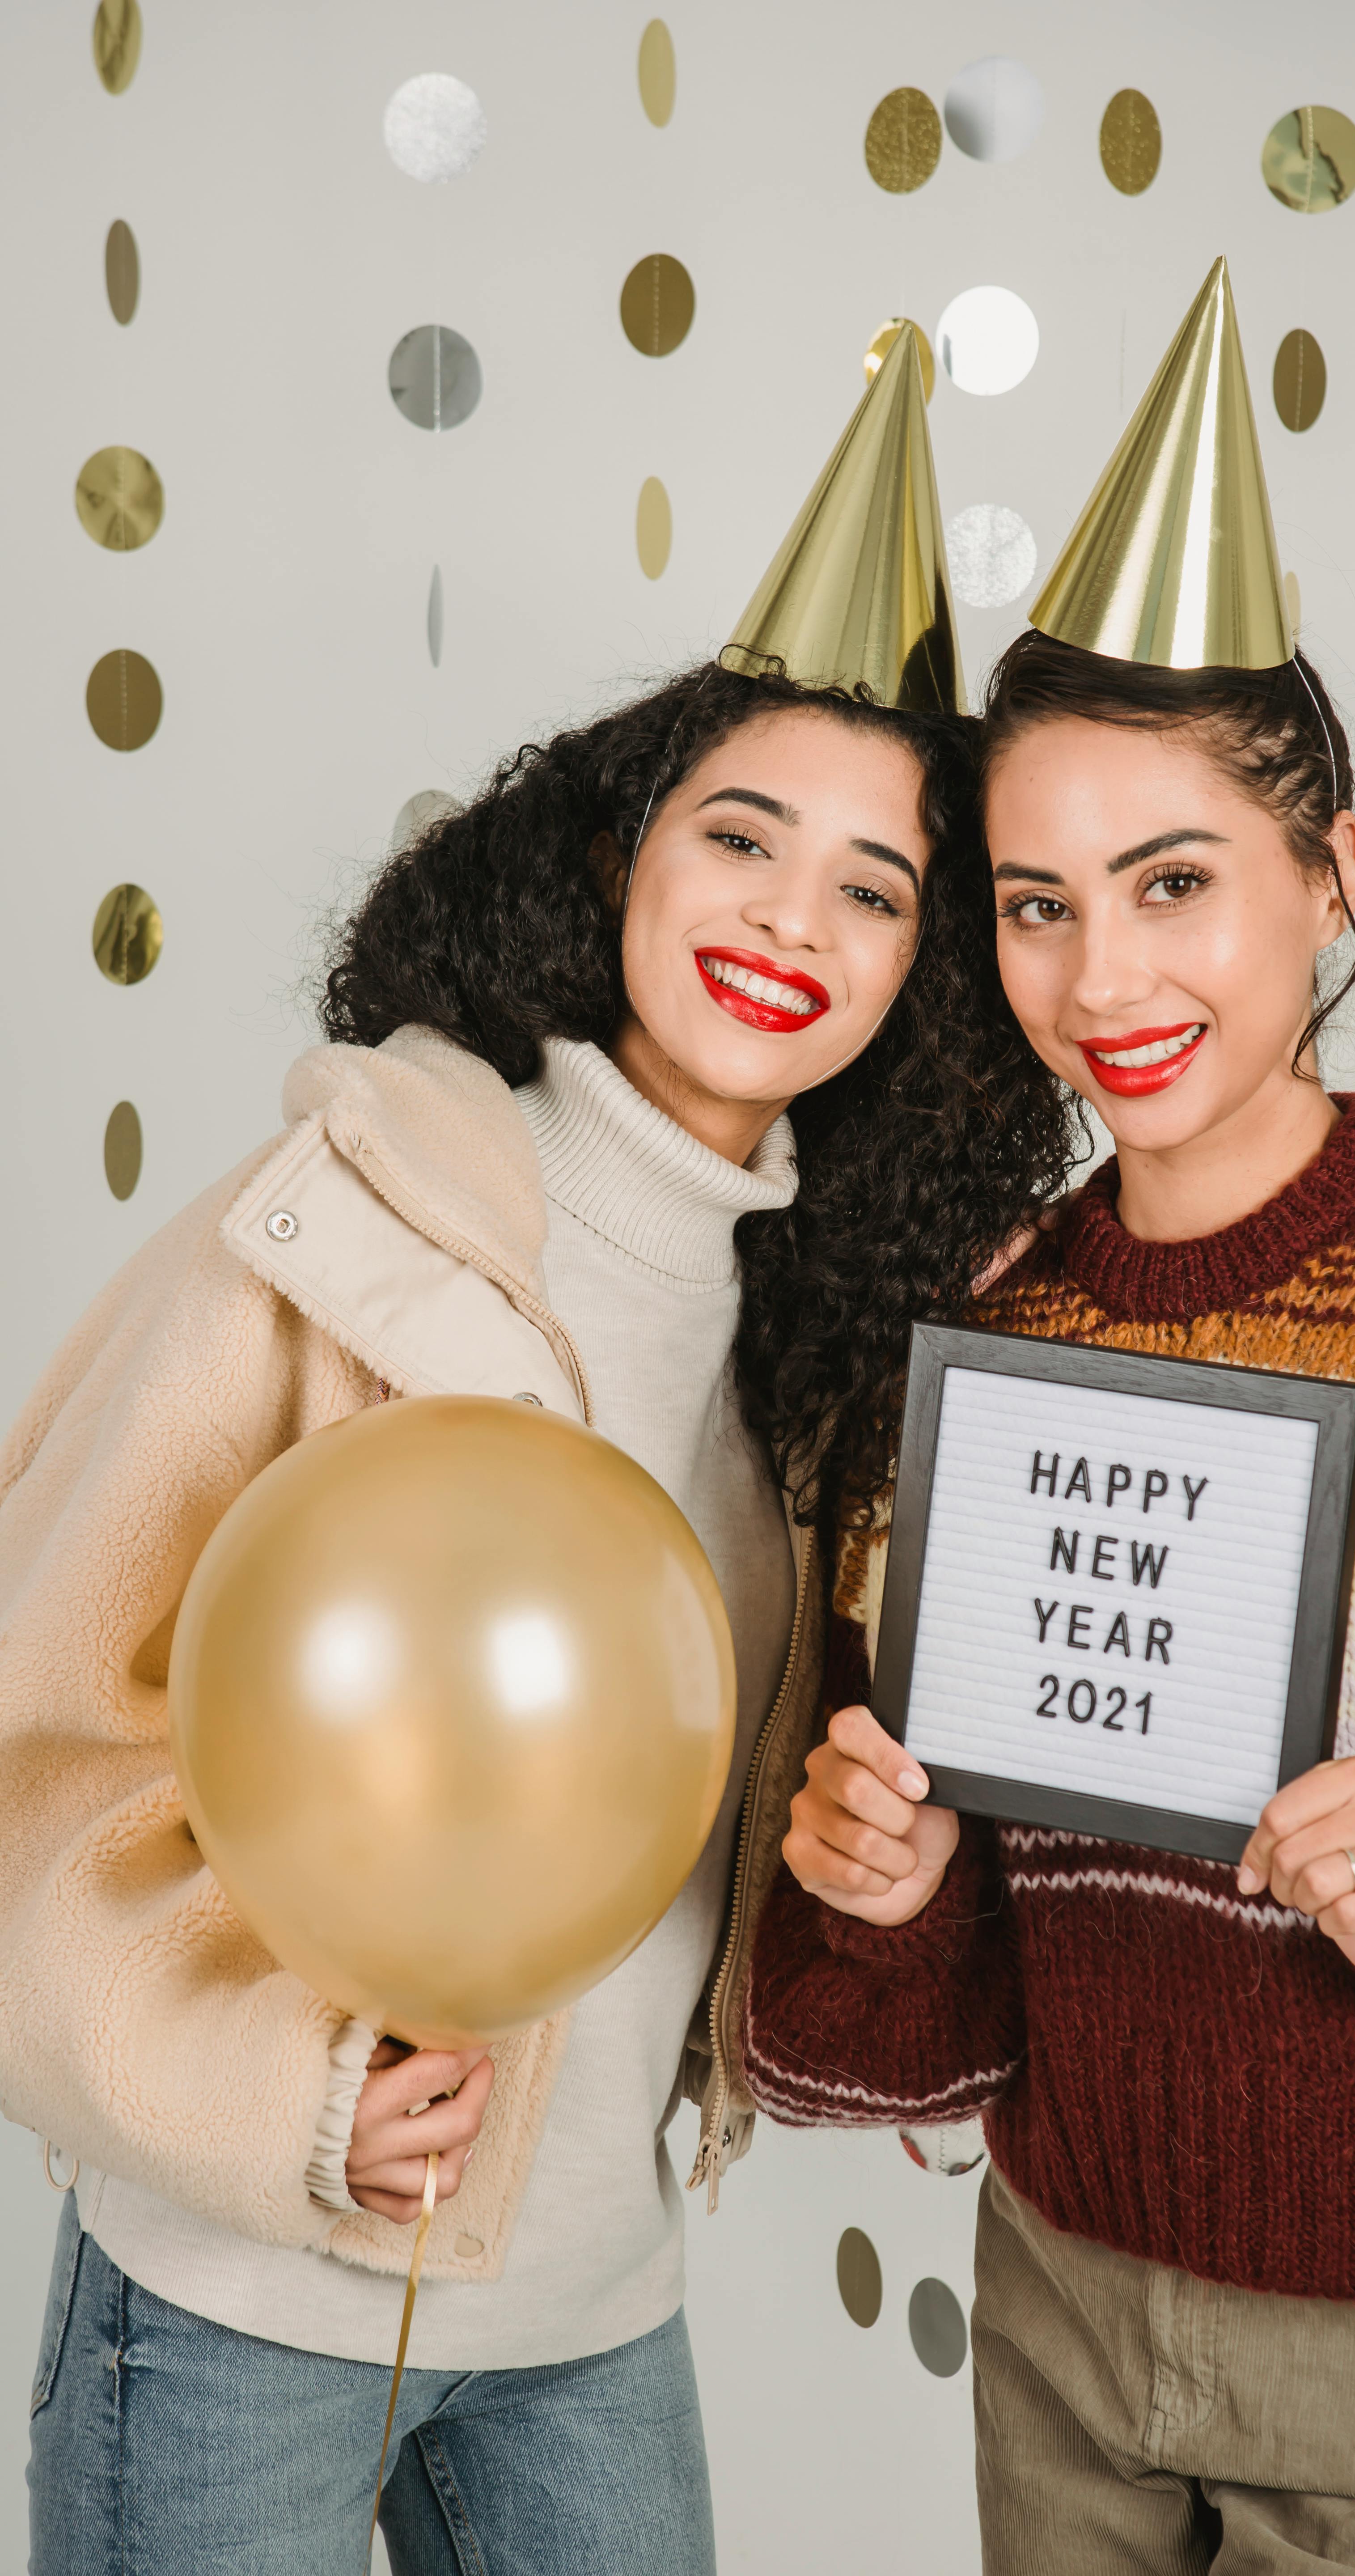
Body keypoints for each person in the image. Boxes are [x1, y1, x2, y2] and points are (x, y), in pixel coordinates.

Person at [2, 329, 1076, 2573]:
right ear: (619, 854)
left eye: (878, 890)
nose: (795, 917)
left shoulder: (837, 1354)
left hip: (597, 2308)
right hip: (242, 2301)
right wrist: (283, 2108)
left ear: (924, 974)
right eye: (744, 836)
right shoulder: (335, 1220)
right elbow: (40, 1724)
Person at [745, 262, 1355, 2575]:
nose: (1106, 983)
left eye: (1175, 885)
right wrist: (884, 1882)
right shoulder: (986, 1330)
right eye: (1036, 907)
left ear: (1331, 875)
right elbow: (966, 1936)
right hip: (1075, 2330)